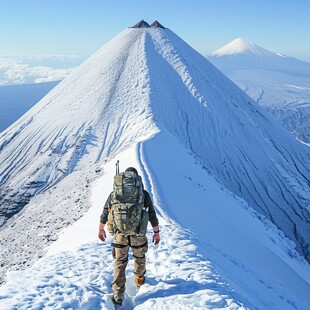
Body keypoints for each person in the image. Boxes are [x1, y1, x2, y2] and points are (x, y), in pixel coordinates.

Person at [98, 166, 160, 305]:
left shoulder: (114, 194)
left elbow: (105, 212)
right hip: (138, 232)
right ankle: (139, 280)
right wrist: (156, 232)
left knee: (120, 262)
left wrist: (101, 229)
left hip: (120, 233)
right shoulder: (143, 194)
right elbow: (151, 214)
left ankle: (118, 295)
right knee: (139, 256)